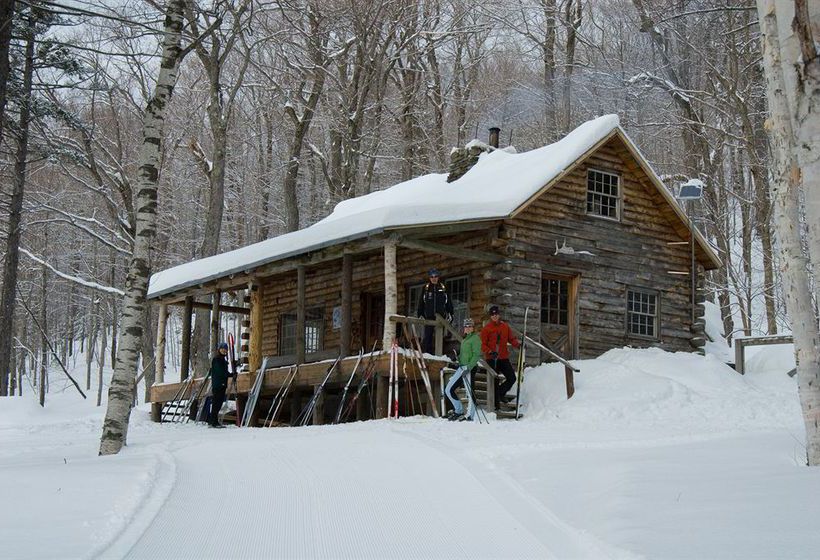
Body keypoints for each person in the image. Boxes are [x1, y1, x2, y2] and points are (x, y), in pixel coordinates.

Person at [479, 305, 520, 407]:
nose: (495, 316)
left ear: (499, 315)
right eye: (493, 315)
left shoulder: (505, 326)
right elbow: (482, 344)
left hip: (503, 357)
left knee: (512, 378)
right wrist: (490, 351)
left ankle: (501, 393)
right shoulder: (486, 329)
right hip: (492, 358)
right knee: (495, 380)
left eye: (496, 314)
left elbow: (511, 339)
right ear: (490, 316)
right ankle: (495, 405)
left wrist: (518, 345)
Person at [444, 318, 482, 421]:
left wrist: (469, 368)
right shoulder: (465, 340)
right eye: (466, 326)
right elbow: (464, 355)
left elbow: (476, 356)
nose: (468, 328)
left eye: (470, 326)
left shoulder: (475, 339)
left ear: (473, 328)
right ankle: (459, 410)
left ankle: (470, 415)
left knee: (470, 393)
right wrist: (457, 357)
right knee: (448, 389)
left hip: (469, 368)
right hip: (461, 368)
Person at [416, 267, 454, 354]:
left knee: (440, 337)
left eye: (435, 276)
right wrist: (420, 314)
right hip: (428, 317)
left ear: (438, 277)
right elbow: (421, 302)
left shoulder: (443, 288)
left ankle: (441, 355)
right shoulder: (426, 288)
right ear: (429, 277)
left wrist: (451, 313)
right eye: (432, 276)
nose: (434, 278)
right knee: (428, 337)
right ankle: (428, 355)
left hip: (441, 317)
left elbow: (448, 302)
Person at [208, 341, 235, 428]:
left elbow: (224, 372)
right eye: (222, 349)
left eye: (225, 350)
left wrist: (231, 374)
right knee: (217, 403)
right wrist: (228, 374)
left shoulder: (222, 360)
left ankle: (213, 421)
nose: (224, 351)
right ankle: (213, 422)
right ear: (219, 349)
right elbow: (220, 372)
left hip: (222, 384)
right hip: (218, 384)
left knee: (218, 403)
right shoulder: (217, 359)